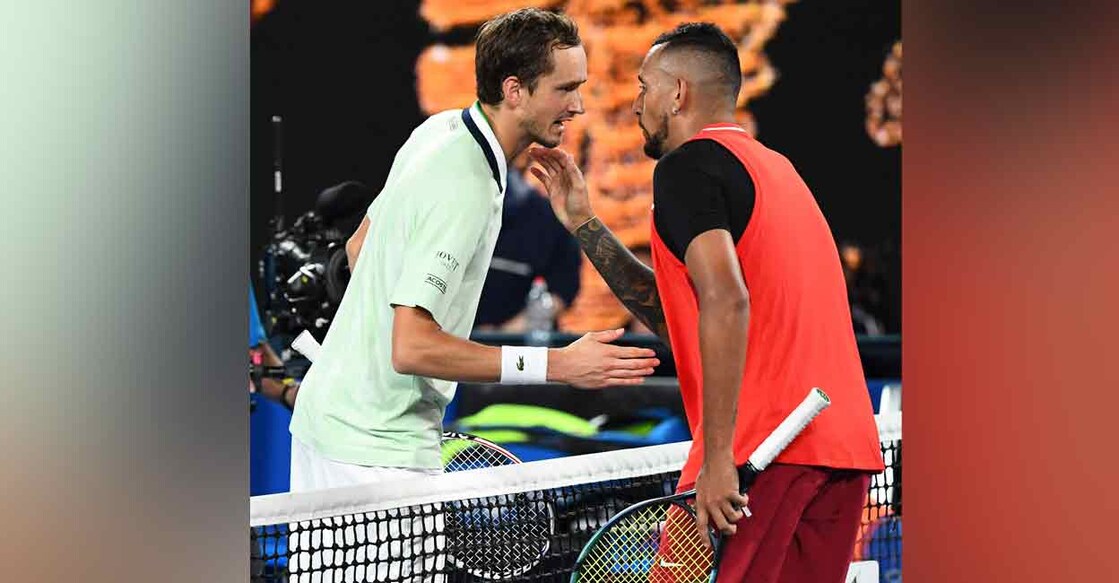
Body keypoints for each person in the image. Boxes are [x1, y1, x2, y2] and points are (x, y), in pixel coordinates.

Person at [529, 22, 885, 583]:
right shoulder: (778, 170)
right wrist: (583, 223)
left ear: (678, 94)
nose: (637, 102)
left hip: (757, 453)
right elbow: (688, 317)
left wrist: (718, 457)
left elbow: (726, 298)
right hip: (839, 451)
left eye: (645, 87)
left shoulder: (686, 167)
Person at [288, 7, 659, 493]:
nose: (579, 106)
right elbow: (412, 347)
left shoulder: (439, 131)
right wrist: (557, 365)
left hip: (330, 429)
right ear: (514, 91)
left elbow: (360, 250)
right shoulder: (466, 184)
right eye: (565, 89)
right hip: (376, 458)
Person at [473, 163, 582, 331]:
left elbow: (563, 288)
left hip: (519, 340)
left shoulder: (544, 218)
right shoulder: (448, 209)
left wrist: (505, 333)